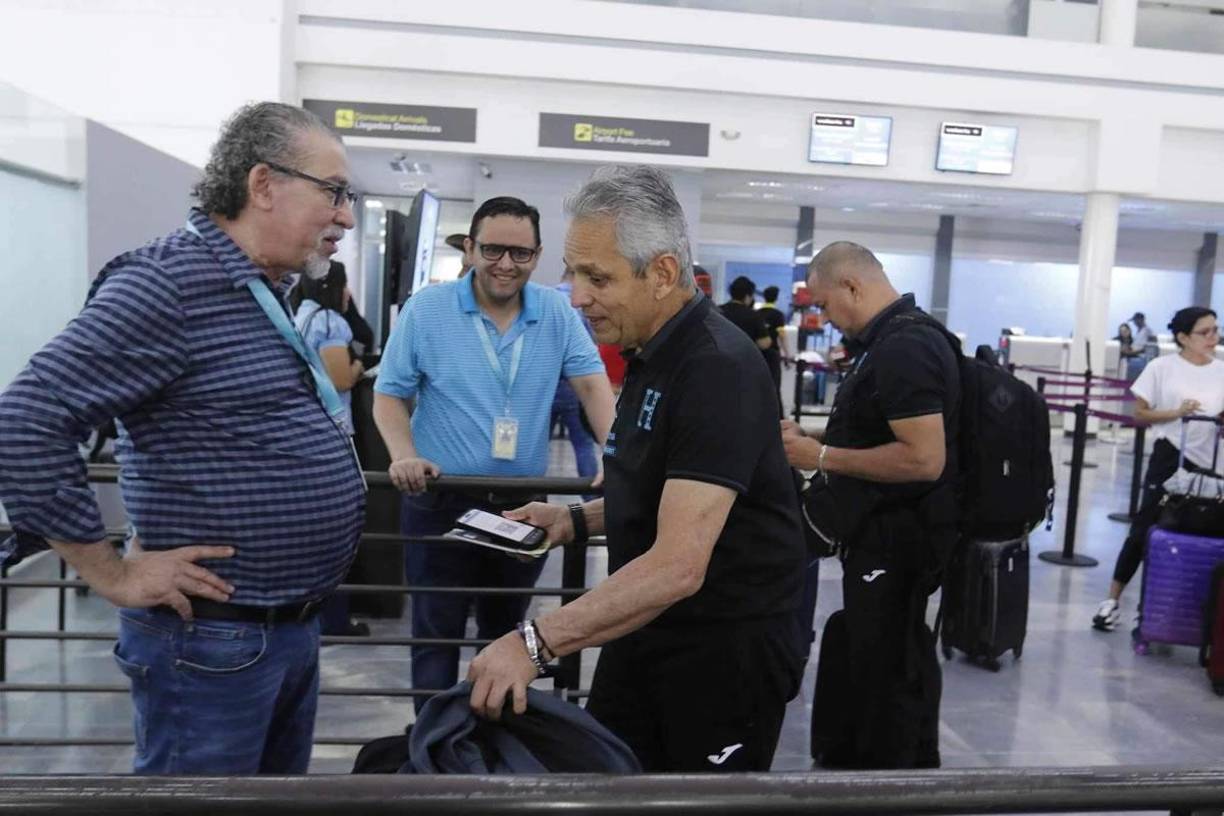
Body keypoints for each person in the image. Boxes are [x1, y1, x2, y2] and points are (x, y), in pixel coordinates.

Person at [0, 102, 366, 774]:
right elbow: (24, 420)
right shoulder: (167, 284)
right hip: (212, 643)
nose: (345, 216)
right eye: (335, 192)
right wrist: (110, 573)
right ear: (263, 185)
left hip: (282, 630)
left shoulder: (256, 288)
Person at [466, 165, 806, 773]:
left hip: (719, 653)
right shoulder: (650, 351)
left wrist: (534, 643)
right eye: (573, 273)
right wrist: (574, 520)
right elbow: (667, 490)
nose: (577, 297)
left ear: (663, 273)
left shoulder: (716, 369)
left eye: (598, 278)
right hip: (646, 629)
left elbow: (678, 564)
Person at [372, 195, 615, 712]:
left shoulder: (556, 311)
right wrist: (403, 454)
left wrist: (616, 457)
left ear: (538, 255)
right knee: (435, 634)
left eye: (520, 253)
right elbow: (389, 394)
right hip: (440, 500)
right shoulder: (427, 309)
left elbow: (593, 387)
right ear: (470, 249)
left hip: (522, 507)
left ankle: (492, 750)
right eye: (493, 250)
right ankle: (433, 745)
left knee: (507, 637)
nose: (506, 264)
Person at [780, 241, 958, 769]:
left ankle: (890, 776)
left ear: (852, 286)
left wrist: (820, 456)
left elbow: (924, 459)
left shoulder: (905, 348)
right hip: (884, 535)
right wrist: (814, 438)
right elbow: (879, 430)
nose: (825, 318)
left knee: (889, 662)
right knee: (878, 649)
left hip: (901, 540)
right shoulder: (891, 342)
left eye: (824, 304)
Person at [1093, 307, 1224, 631]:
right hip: (1171, 455)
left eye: (1215, 330)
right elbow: (1140, 413)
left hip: (1212, 461)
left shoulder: (1221, 370)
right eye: (1205, 332)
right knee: (1145, 527)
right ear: (1183, 337)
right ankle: (1111, 601)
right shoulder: (1161, 368)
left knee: (1203, 531)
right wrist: (1176, 412)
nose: (1213, 337)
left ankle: (1182, 612)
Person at [293, 263, 371, 638]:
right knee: (338, 530)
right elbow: (340, 378)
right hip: (335, 432)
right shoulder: (329, 322)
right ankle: (335, 619)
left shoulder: (300, 314)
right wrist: (359, 365)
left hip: (306, 432)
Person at [552, 268, 601, 487]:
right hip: (576, 385)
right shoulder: (582, 305)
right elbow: (592, 342)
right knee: (583, 444)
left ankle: (534, 493)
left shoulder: (549, 301)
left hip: (548, 384)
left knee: (537, 445)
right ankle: (591, 493)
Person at [719, 275, 772, 352]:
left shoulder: (717, 311)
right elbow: (764, 344)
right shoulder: (754, 315)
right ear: (747, 296)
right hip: (744, 356)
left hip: (719, 355)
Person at [758, 285, 787, 407]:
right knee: (775, 385)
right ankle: (776, 413)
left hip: (758, 353)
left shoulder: (757, 313)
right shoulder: (778, 314)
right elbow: (782, 335)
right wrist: (787, 353)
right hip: (773, 353)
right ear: (776, 298)